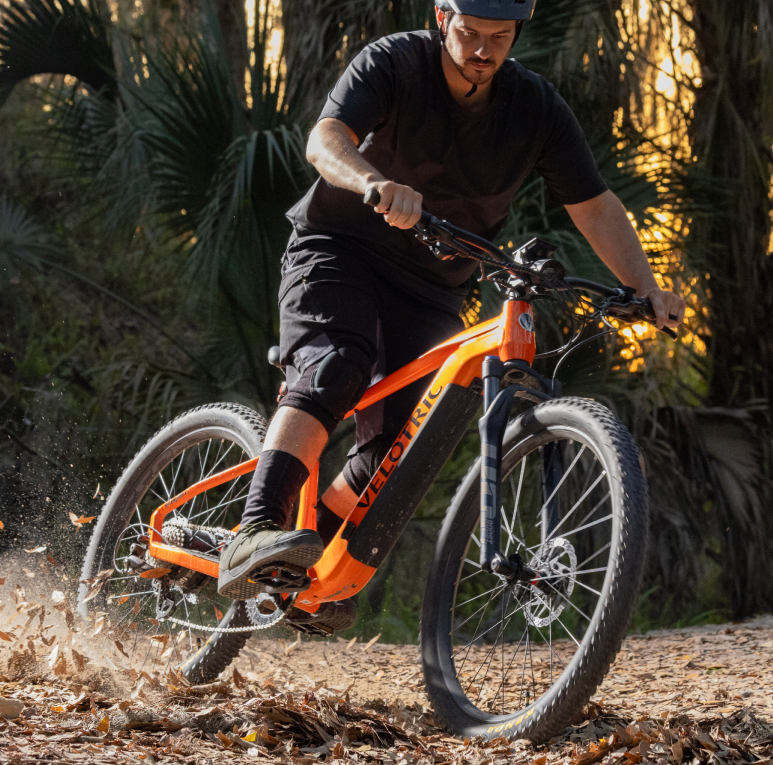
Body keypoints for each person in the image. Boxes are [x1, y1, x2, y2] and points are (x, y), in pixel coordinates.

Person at [216, 0, 687, 620]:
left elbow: (594, 205)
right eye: (469, 33)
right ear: (443, 18)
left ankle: (311, 563)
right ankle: (254, 531)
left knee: (398, 445)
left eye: (500, 37)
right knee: (333, 369)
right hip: (339, 248)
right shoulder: (393, 62)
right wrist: (370, 183)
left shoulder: (535, 107)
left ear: (518, 31)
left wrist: (645, 285)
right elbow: (325, 139)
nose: (483, 51)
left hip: (432, 285)